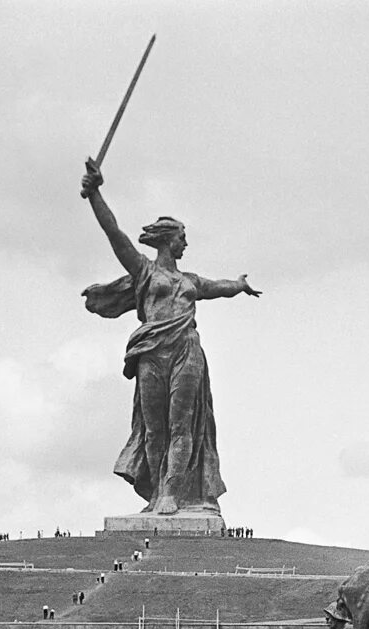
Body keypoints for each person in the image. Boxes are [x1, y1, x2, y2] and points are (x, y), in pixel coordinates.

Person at [79, 157, 261, 516]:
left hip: (186, 351)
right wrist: (96, 194)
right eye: (182, 238)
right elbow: (115, 234)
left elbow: (218, 287)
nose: (185, 244)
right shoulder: (144, 271)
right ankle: (156, 492)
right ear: (167, 240)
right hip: (151, 352)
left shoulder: (190, 281)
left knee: (182, 423)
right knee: (153, 427)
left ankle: (172, 494)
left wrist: (239, 285)